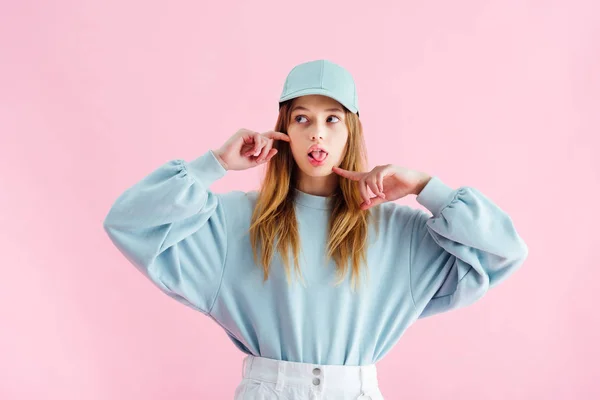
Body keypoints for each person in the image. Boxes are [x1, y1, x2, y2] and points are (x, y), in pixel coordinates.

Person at [103, 59, 529, 400]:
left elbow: (504, 250)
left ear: (351, 130)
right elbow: (128, 222)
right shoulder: (235, 222)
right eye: (302, 119)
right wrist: (212, 163)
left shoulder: (399, 231)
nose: (317, 134)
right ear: (284, 128)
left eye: (333, 119)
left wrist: (424, 187)